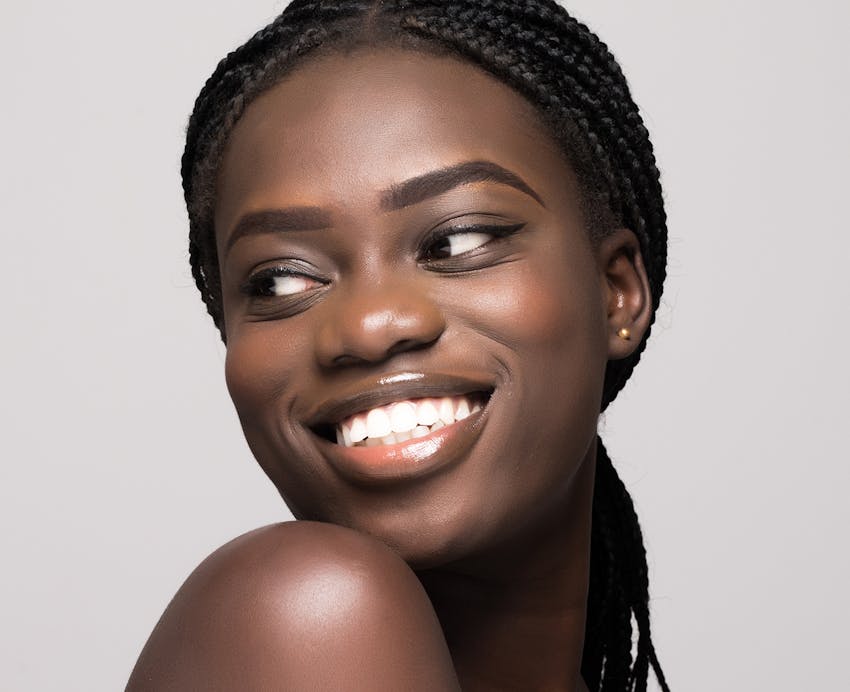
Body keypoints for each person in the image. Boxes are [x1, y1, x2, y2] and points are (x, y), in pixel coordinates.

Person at [128, 1, 670, 690]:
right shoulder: (311, 612)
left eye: (458, 241)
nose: (369, 325)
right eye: (282, 279)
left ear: (616, 290)